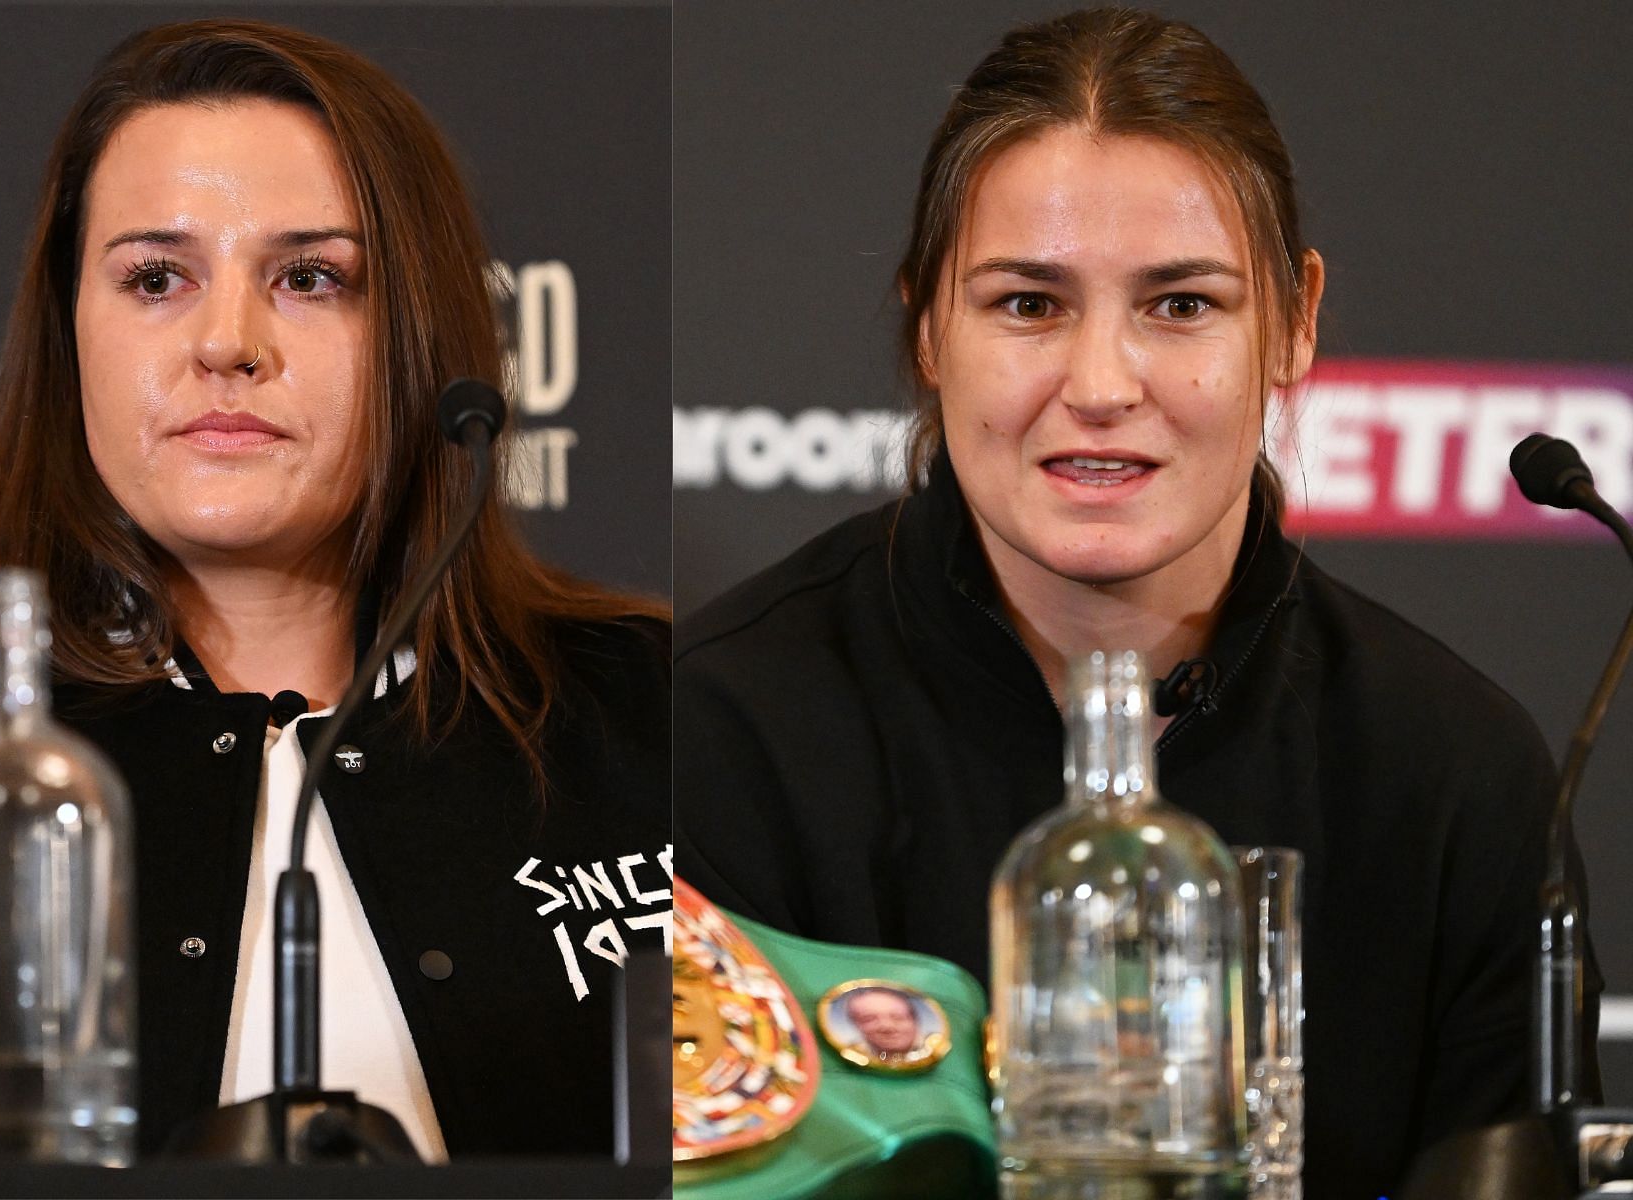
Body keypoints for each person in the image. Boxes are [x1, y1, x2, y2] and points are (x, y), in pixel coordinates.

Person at [671, 7, 1600, 1195]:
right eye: (1027, 304)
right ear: (927, 328)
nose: (1102, 385)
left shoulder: (1457, 771)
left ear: (1296, 320)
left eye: (1181, 305)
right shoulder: (718, 735)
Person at [0, 19, 669, 1162]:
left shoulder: (650, 710)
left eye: (309, 278)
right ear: (71, 330)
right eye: (156, 278)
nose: (228, 343)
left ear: (425, 335)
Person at [843, 987, 921, 1059]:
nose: (887, 1026)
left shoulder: (929, 1047)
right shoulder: (852, 1053)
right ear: (856, 1024)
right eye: (869, 1019)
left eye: (898, 1017)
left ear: (915, 1020)